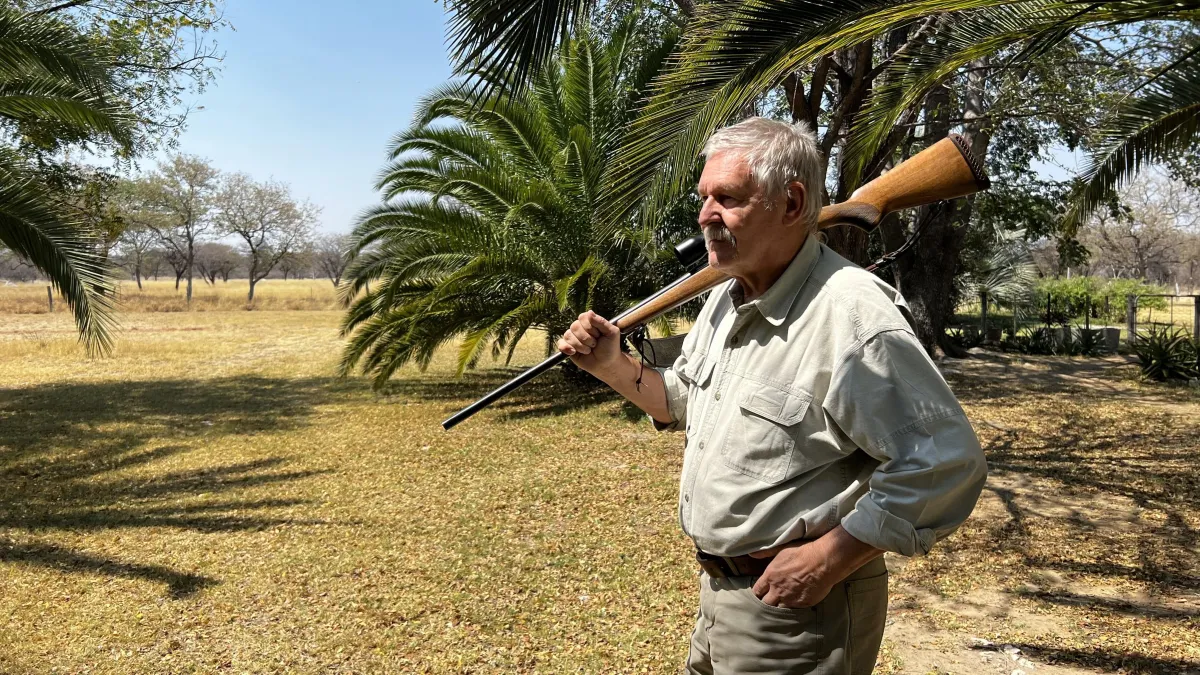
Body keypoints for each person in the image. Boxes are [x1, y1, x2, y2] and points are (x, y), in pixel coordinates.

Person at [555, 117, 988, 675]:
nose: (705, 216)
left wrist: (828, 560)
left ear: (792, 204)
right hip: (720, 598)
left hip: (797, 612)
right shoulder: (727, 294)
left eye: (727, 198)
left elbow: (945, 461)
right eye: (703, 197)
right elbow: (679, 401)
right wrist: (611, 365)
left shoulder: (853, 316)